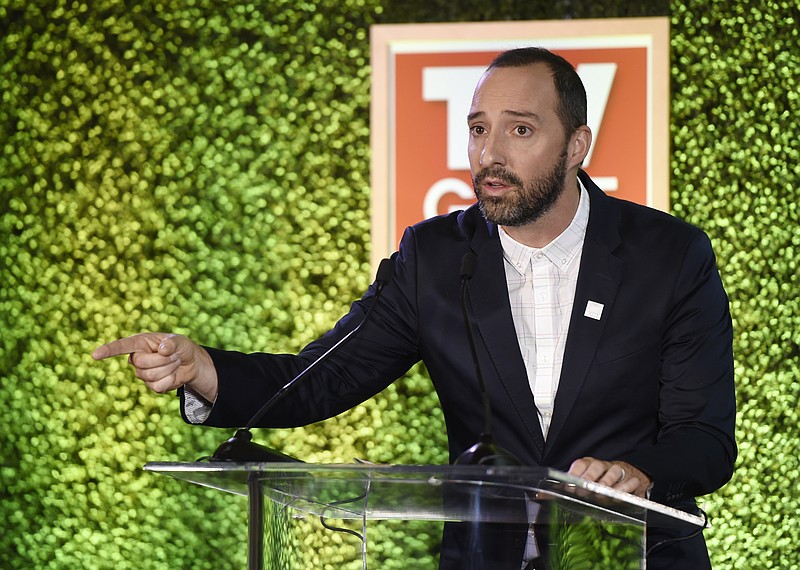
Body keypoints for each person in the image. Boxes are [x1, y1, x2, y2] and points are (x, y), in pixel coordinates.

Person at [93, 47, 736, 568]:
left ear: (577, 146)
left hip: (642, 557)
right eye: (479, 130)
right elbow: (326, 377)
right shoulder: (433, 257)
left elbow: (704, 440)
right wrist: (202, 369)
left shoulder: (669, 257)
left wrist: (637, 472)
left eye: (520, 129)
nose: (491, 154)